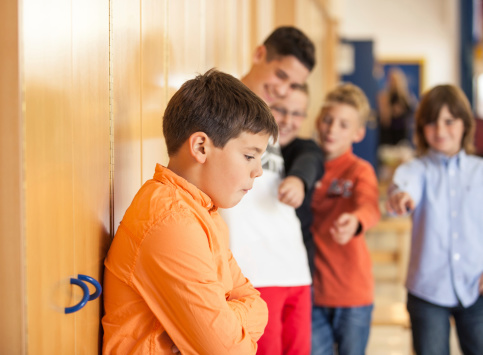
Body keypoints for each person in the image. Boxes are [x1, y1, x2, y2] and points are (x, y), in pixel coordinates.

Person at [102, 69, 279, 354]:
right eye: (249, 156)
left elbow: (257, 303)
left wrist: (226, 322)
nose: (257, 171)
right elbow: (227, 350)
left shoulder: (203, 212)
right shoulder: (172, 222)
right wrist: (228, 326)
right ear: (200, 146)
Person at [220, 26, 316, 355]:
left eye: (292, 84)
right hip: (252, 272)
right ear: (260, 54)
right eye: (281, 75)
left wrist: (301, 178)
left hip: (294, 267)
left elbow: (310, 151)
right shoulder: (222, 107)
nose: (283, 89)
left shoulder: (270, 119)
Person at [386, 84, 483, 355]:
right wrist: (401, 197)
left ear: (464, 124)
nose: (440, 130)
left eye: (449, 121)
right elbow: (404, 187)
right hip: (427, 291)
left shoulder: (480, 171)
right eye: (431, 122)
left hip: (477, 288)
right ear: (421, 128)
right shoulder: (414, 169)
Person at [310, 83, 381, 355]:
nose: (331, 129)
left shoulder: (359, 170)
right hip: (313, 293)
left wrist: (355, 220)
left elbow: (370, 206)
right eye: (328, 120)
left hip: (353, 295)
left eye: (343, 124)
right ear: (317, 120)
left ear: (358, 133)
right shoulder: (303, 165)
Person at [271, 84, 324, 275]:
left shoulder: (305, 148)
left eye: (297, 114)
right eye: (280, 110)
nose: (287, 120)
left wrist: (297, 180)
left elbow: (309, 161)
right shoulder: (251, 148)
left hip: (296, 258)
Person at [377, 67, 416, 145]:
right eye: (390, 80)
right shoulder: (384, 96)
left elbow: (412, 110)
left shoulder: (406, 96)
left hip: (401, 132)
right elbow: (382, 116)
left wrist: (401, 110)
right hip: (387, 133)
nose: (392, 82)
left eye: (394, 80)